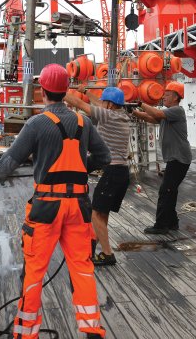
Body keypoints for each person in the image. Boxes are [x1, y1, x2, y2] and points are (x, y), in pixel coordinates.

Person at [0, 63, 110, 339]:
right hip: (79, 207)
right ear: (66, 91)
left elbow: (4, 167)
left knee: (35, 272)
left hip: (47, 207)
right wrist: (81, 168)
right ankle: (92, 330)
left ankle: (26, 333)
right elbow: (104, 158)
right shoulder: (84, 123)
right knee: (82, 268)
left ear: (42, 91)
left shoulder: (36, 124)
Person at [64, 86, 131, 267]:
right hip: (121, 173)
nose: (101, 104)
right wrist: (85, 90)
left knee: (95, 214)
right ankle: (97, 245)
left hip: (113, 172)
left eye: (104, 102)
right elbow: (98, 103)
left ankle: (108, 254)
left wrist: (57, 91)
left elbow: (79, 104)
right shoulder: (121, 114)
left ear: (109, 104)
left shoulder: (108, 116)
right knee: (102, 214)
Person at [131, 81, 191, 234]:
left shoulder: (177, 110)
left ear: (177, 97)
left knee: (165, 191)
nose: (164, 96)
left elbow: (157, 114)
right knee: (170, 190)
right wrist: (134, 112)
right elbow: (152, 118)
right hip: (176, 159)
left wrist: (140, 103)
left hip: (179, 159)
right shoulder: (168, 113)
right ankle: (172, 222)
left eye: (168, 94)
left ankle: (161, 225)